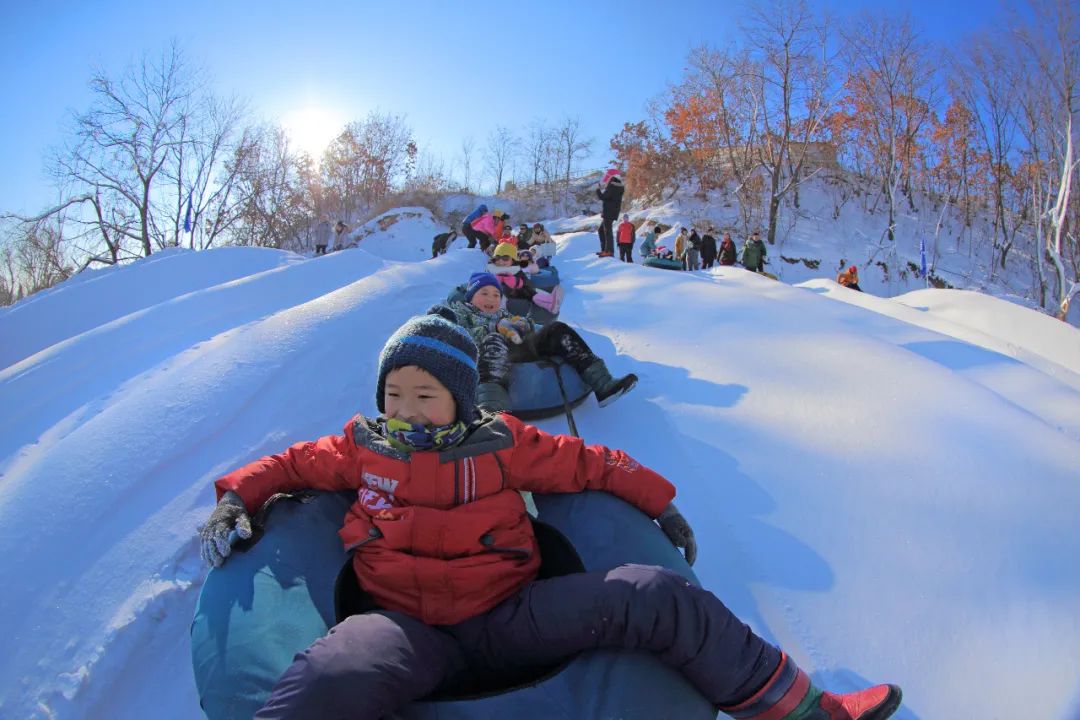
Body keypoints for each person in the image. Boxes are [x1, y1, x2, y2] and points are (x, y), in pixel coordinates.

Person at [200, 312, 903, 720]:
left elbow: (590, 462)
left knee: (656, 595)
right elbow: (291, 466)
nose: (406, 410)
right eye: (394, 393)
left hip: (513, 615)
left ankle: (811, 710)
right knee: (331, 676)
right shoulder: (361, 448)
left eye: (425, 395)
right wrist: (239, 495)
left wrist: (660, 501)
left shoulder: (504, 443)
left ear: (461, 399)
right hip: (403, 629)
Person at [450, 273, 637, 412]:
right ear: (470, 297)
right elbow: (459, 336)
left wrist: (524, 323)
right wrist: (494, 327)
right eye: (484, 293)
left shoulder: (502, 313)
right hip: (489, 358)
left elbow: (527, 325)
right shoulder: (462, 314)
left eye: (496, 295)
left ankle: (603, 384)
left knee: (557, 329)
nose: (491, 299)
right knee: (493, 340)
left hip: (519, 350)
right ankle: (492, 411)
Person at [487, 242, 562, 313]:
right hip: (499, 298)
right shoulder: (491, 269)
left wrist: (516, 281)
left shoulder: (516, 269)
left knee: (532, 292)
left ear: (512, 260)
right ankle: (498, 313)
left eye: (505, 258)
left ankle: (550, 302)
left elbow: (525, 281)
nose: (501, 261)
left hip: (517, 294)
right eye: (497, 258)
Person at [596, 168, 625, 256]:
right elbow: (609, 196)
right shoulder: (618, 185)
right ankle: (605, 250)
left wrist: (598, 189)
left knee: (607, 230)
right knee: (601, 230)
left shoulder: (613, 185)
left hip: (609, 211)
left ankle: (609, 251)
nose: (607, 179)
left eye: (608, 177)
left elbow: (603, 197)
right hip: (612, 211)